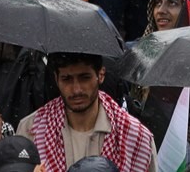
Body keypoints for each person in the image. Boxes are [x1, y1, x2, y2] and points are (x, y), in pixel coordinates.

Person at [15, 52, 156, 172]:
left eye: (84, 78)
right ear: (56, 79)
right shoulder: (32, 129)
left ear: (101, 75)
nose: (76, 89)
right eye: (67, 79)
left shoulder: (136, 136)